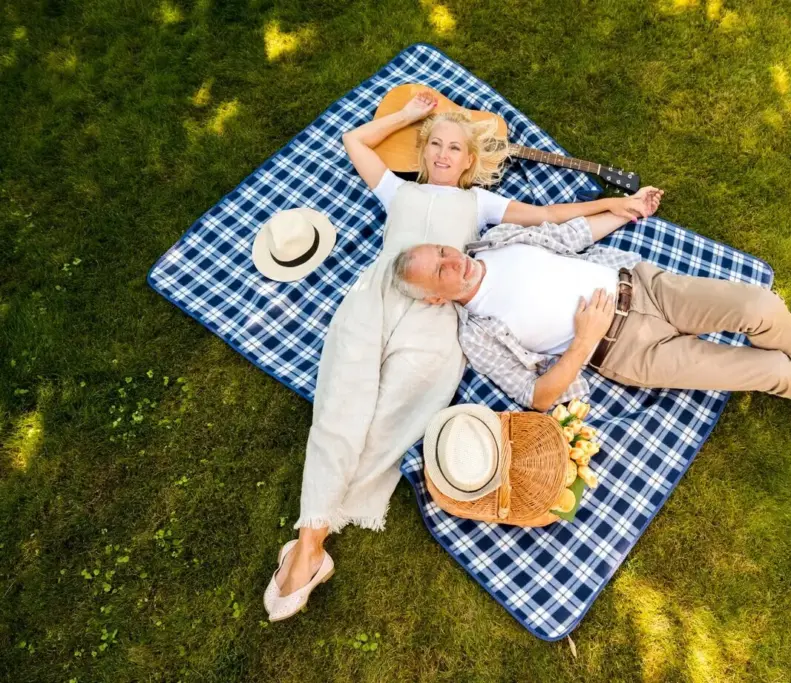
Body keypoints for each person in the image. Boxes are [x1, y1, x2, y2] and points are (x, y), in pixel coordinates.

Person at [264, 90, 664, 620]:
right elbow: (354, 141)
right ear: (423, 151)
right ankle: (310, 540)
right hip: (376, 298)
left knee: (395, 417)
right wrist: (409, 116)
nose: (444, 154)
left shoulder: (480, 204)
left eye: (455, 148)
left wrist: (611, 206)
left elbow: (548, 216)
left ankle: (313, 542)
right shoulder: (397, 191)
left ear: (470, 160)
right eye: (435, 145)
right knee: (340, 403)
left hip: (437, 316)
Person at [389, 211, 791, 419]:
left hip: (646, 287)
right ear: (436, 299)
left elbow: (567, 235)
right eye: (439, 272)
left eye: (442, 251)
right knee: (769, 371)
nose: (452, 261)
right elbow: (537, 398)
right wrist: (583, 342)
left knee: (762, 305)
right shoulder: (476, 334)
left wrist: (621, 209)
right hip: (629, 351)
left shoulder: (497, 239)